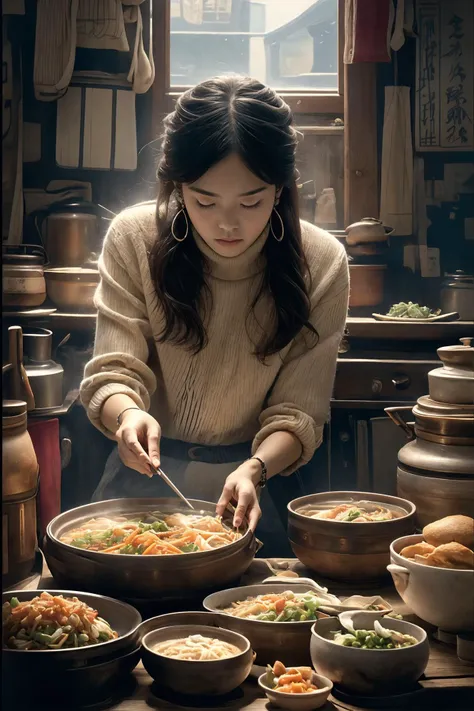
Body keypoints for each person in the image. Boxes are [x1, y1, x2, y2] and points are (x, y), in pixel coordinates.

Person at [80, 75, 349, 556]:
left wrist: (256, 468)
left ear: (281, 189)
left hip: (254, 489)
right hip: (142, 483)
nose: (228, 223)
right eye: (204, 200)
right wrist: (129, 414)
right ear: (176, 186)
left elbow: (300, 412)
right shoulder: (134, 237)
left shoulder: (322, 261)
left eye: (252, 201)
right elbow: (113, 370)